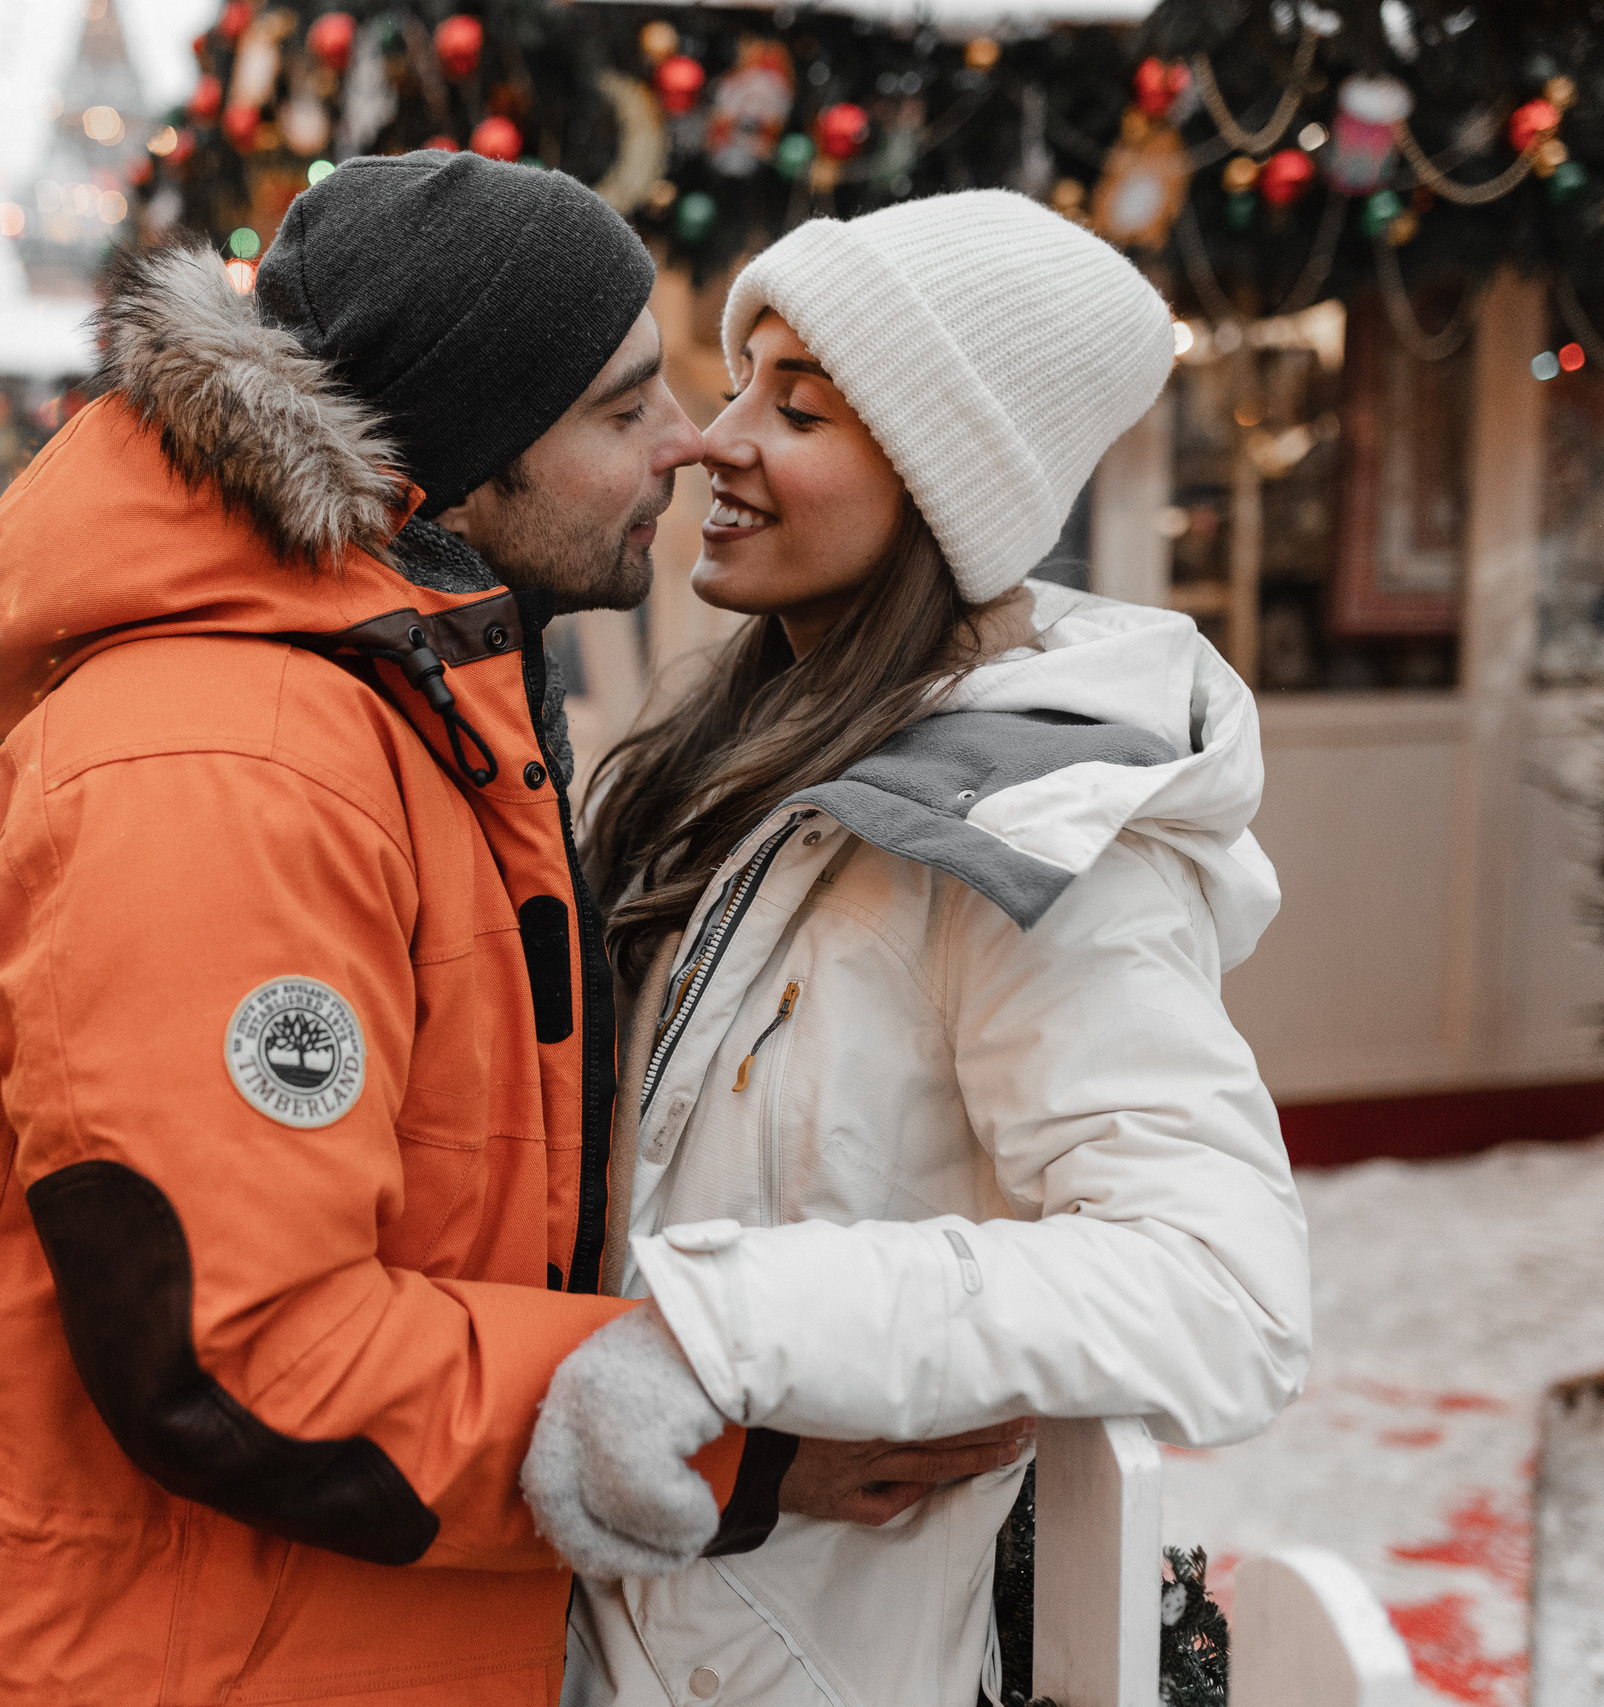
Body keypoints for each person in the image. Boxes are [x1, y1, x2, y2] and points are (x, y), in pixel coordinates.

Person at [0, 153, 1026, 1707]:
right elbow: (244, 1351)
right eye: (619, 405)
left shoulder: (395, 706)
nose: (686, 444)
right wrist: (734, 1440)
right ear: (458, 458)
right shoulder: (226, 772)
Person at [516, 189, 1313, 1706]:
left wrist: (721, 1335)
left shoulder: (1036, 837)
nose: (713, 438)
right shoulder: (725, 770)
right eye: (739, 377)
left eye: (797, 406)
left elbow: (1227, 1290)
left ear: (946, 481)